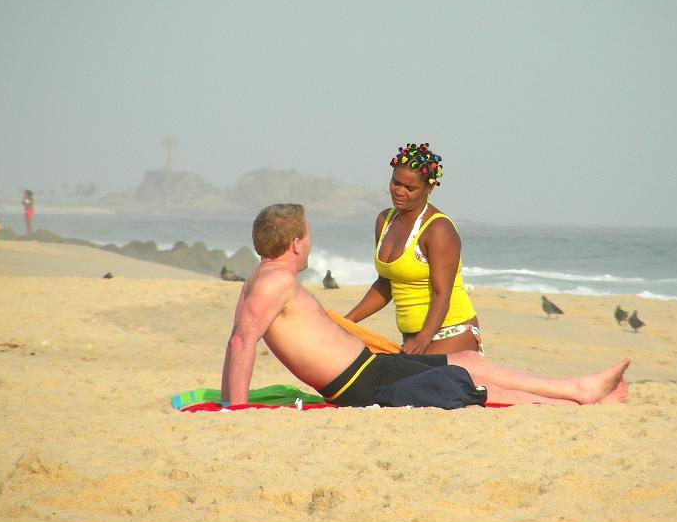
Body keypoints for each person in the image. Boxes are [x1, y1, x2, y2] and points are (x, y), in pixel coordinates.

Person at [220, 203, 630, 408]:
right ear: (295, 243)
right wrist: (233, 410)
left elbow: (244, 338)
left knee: (468, 360)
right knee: (465, 379)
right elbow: (241, 343)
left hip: (369, 368)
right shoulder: (274, 282)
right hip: (363, 382)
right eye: (307, 237)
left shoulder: (266, 279)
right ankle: (577, 393)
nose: (310, 243)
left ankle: (577, 391)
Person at [344, 142, 479, 356]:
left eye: (410, 188)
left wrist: (423, 339)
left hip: (451, 333)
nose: (399, 191)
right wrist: (347, 322)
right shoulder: (384, 220)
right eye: (396, 183)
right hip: (414, 340)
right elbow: (386, 283)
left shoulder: (438, 228)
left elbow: (442, 293)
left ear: (430, 188)